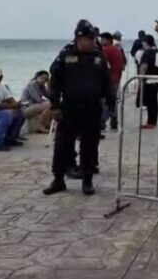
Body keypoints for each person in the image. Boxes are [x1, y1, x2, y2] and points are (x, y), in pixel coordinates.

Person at [43, 20, 116, 196]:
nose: (92, 42)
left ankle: (87, 181)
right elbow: (55, 82)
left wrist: (111, 105)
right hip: (69, 108)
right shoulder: (66, 55)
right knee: (62, 145)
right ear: (78, 38)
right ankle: (58, 179)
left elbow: (107, 83)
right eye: (89, 39)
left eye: (94, 38)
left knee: (89, 146)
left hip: (92, 108)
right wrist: (55, 106)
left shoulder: (98, 57)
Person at [100, 32, 125, 131]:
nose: (101, 41)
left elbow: (101, 64)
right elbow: (122, 65)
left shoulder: (106, 50)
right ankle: (114, 122)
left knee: (105, 102)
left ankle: (101, 123)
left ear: (108, 40)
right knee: (112, 101)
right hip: (116, 78)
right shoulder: (117, 50)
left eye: (103, 39)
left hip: (109, 80)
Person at [137, 35, 158, 128]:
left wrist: (140, 79)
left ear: (146, 42)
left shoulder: (147, 53)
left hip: (149, 79)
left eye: (143, 42)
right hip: (156, 78)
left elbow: (144, 66)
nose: (142, 44)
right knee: (154, 101)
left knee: (150, 101)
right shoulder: (156, 51)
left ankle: (151, 122)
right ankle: (152, 120)